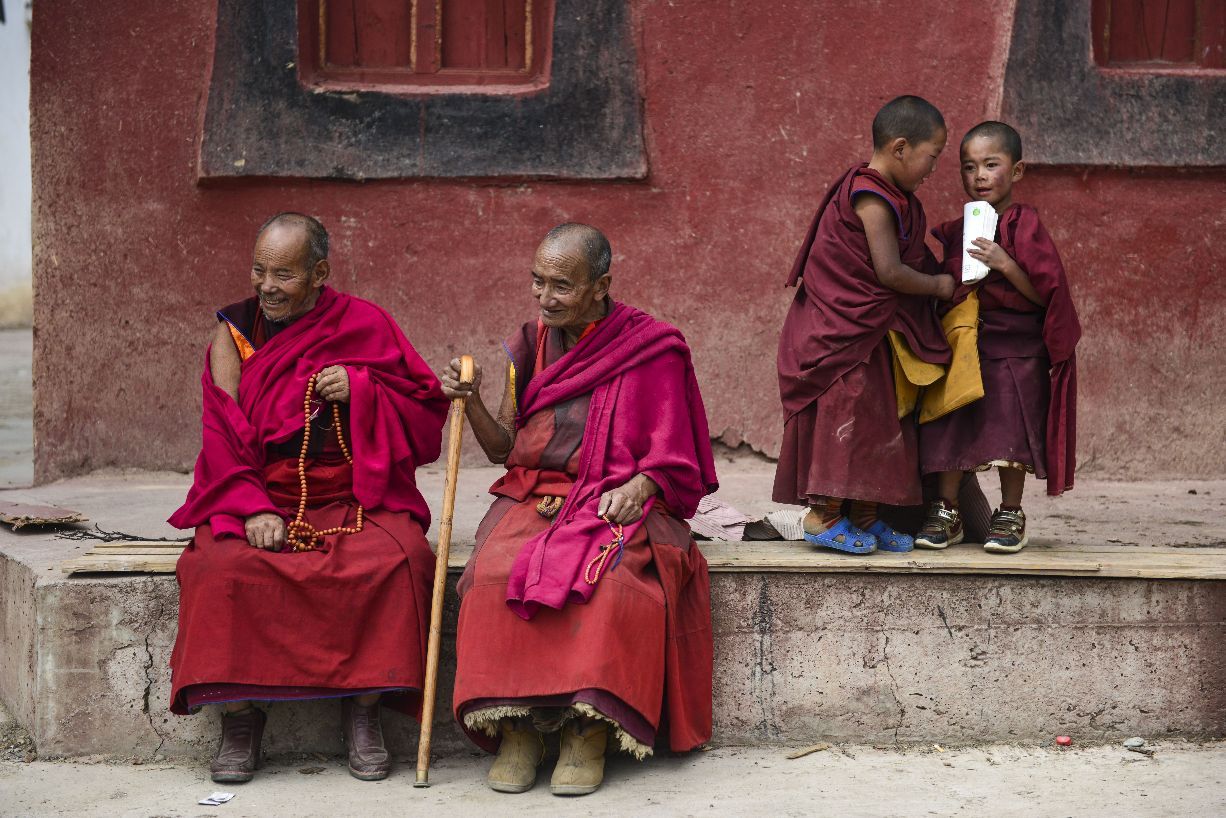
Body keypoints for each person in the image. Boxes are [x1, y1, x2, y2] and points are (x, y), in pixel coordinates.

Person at [167, 212, 449, 783]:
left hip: (353, 493)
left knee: (401, 561)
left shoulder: (365, 323)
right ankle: (241, 719)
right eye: (259, 270)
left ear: (319, 273)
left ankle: (363, 712)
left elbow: (425, 416)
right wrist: (251, 507)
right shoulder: (235, 333)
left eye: (284, 274)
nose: (267, 286)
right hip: (260, 488)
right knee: (218, 568)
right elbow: (220, 430)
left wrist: (365, 391)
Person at [442, 223, 717, 797]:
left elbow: (676, 457)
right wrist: (468, 405)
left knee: (613, 583)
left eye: (561, 286)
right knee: (491, 577)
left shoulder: (653, 347)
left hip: (617, 497)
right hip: (537, 492)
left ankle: (586, 730)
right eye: (537, 283)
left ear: (601, 286)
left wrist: (641, 487)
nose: (545, 298)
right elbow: (503, 450)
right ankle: (517, 728)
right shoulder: (529, 344)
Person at [774, 95, 955, 555]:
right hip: (843, 331)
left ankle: (866, 516)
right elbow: (889, 272)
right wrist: (938, 286)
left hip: (872, 332)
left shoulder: (896, 196)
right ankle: (824, 516)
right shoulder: (871, 197)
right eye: (931, 157)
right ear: (899, 148)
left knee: (881, 420)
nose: (933, 169)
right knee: (848, 415)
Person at [916, 122, 1081, 553]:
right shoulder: (958, 228)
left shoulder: (1024, 224)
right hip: (968, 340)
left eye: (991, 165)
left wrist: (1005, 264)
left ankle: (1010, 512)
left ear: (1017, 170)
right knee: (953, 417)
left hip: (1015, 345)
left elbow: (1045, 292)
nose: (980, 176)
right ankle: (947, 510)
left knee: (1012, 422)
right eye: (969, 168)